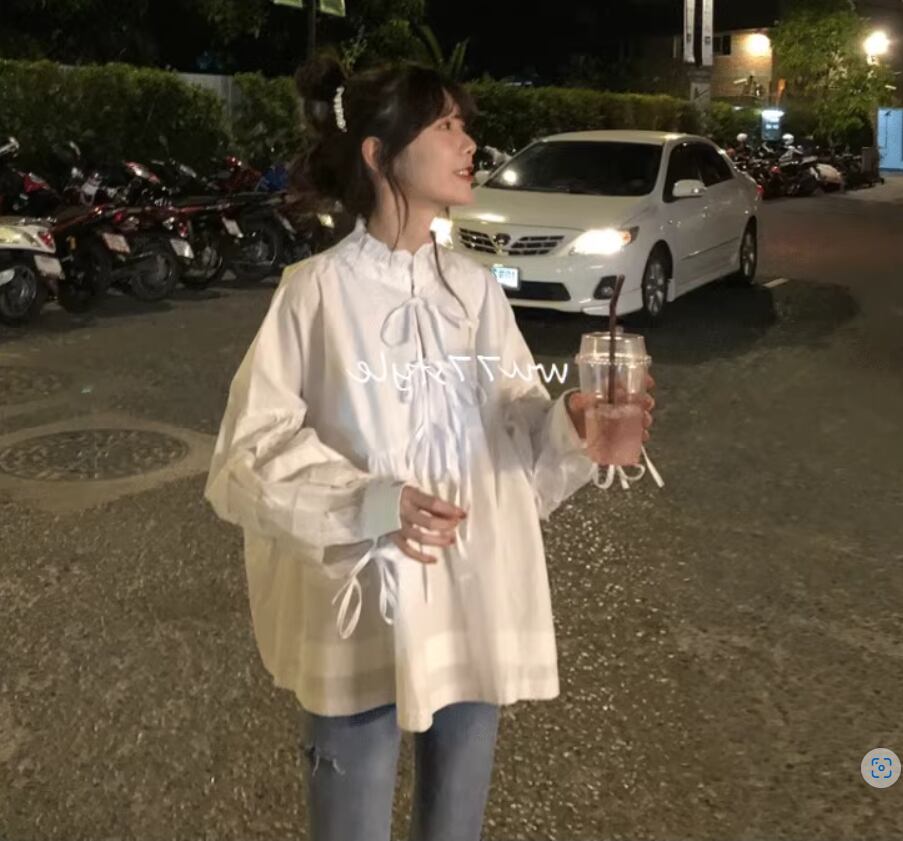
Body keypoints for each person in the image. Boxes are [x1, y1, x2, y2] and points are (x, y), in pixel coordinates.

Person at [204, 55, 655, 841]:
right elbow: (252, 451)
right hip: (364, 603)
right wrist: (371, 502)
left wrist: (573, 423)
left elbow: (513, 430)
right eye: (445, 124)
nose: (468, 141)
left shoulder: (475, 289)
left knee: (455, 821)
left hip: (467, 594)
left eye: (462, 124)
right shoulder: (315, 291)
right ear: (378, 154)